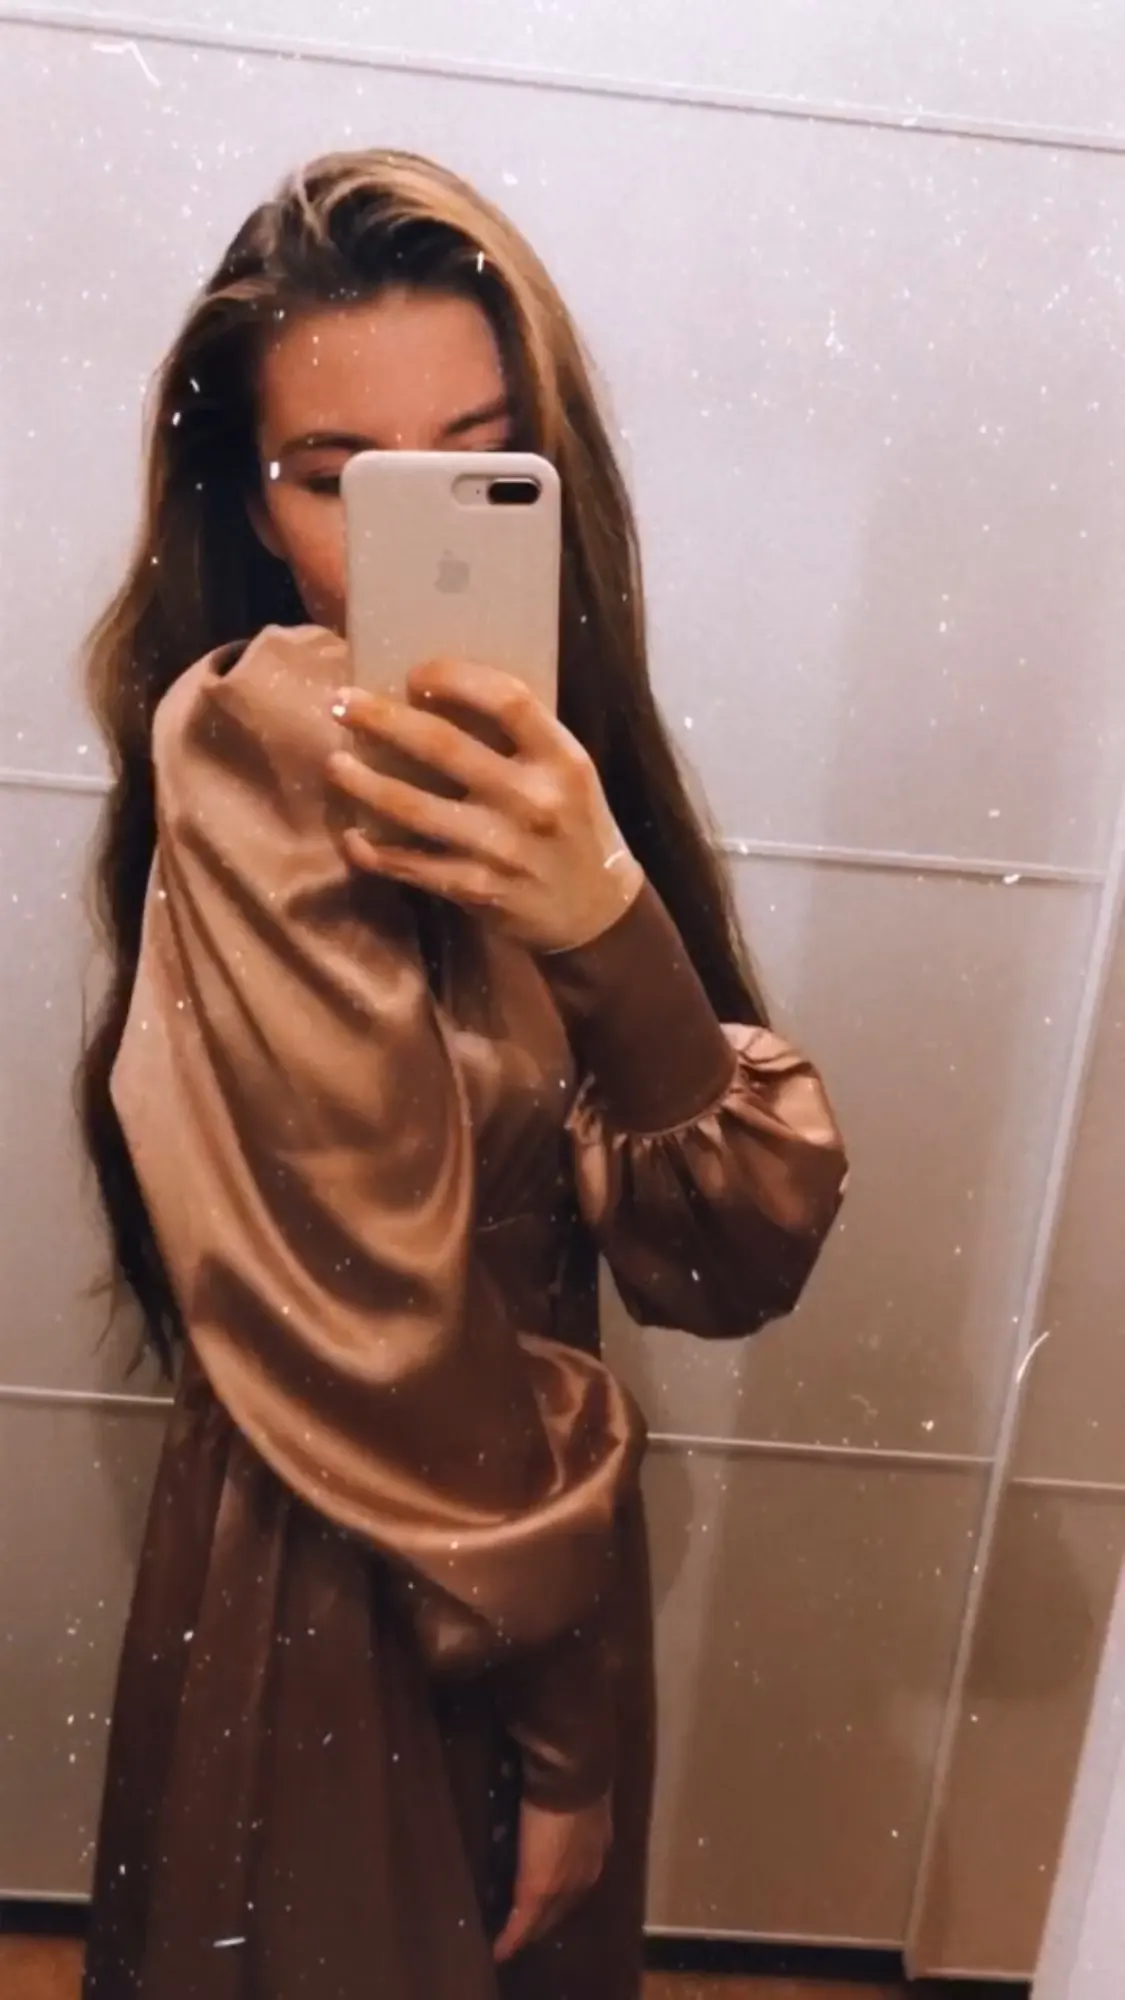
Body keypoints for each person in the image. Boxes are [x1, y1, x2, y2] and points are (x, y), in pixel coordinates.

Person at [77, 149, 847, 2000]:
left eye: (474, 463)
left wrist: (601, 918)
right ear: (255, 506)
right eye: (339, 476)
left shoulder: (564, 780)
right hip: (358, 1548)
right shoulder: (259, 743)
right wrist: (566, 1713)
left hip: (505, 1544)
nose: (407, 535)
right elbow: (376, 1305)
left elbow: (725, 1257)